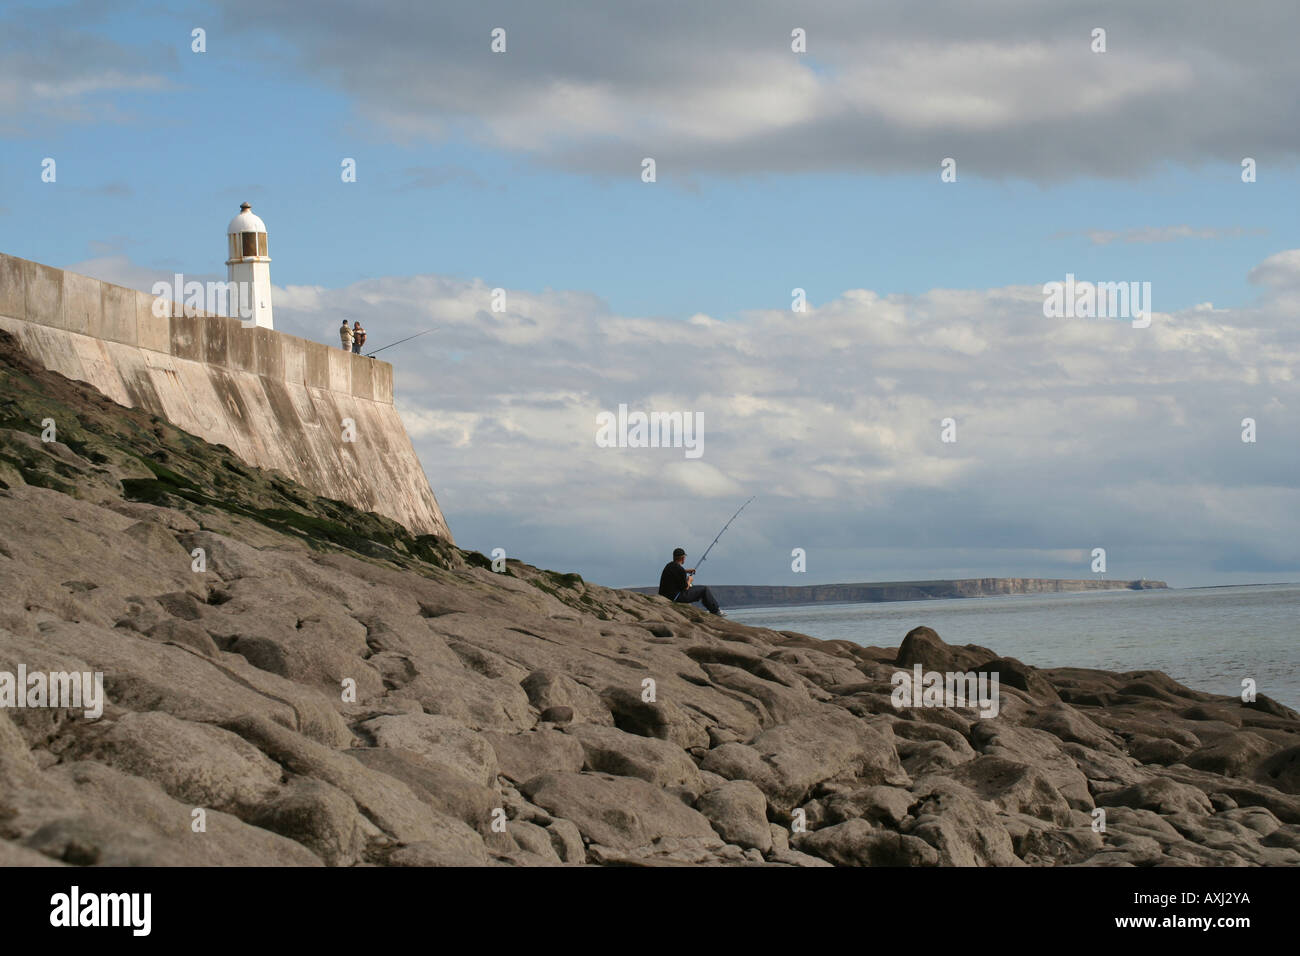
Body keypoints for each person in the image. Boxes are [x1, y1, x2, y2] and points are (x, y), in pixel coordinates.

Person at [658, 547, 723, 615]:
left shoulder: (669, 565)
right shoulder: (680, 570)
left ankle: (713, 610)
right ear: (683, 558)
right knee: (704, 589)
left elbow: (676, 571)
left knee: (696, 589)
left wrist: (686, 571)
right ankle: (715, 611)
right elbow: (685, 588)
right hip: (676, 597)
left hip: (666, 596)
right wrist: (690, 580)